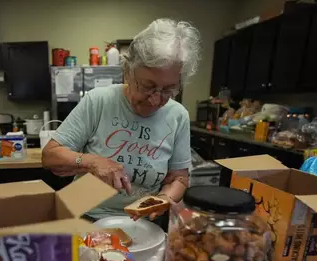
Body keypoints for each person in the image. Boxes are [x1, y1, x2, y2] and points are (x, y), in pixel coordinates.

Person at [42, 19, 200, 221]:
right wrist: (92, 162)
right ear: (127, 71)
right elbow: (50, 157)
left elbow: (179, 178)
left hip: (143, 222)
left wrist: (162, 200)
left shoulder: (178, 116)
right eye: (147, 86)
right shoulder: (98, 100)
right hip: (87, 216)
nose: (155, 99)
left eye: (169, 90)